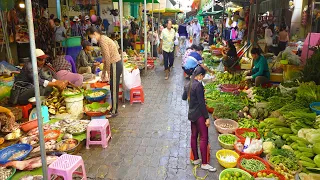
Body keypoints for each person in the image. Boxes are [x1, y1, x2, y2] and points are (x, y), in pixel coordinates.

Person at [182, 66, 216, 172]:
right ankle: (205, 163)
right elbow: (202, 104)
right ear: (200, 76)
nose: (202, 78)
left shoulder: (188, 84)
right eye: (203, 76)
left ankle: (196, 159)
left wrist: (192, 97)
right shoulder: (199, 86)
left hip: (191, 114)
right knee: (204, 138)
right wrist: (207, 118)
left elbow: (184, 97)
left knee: (193, 136)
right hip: (199, 115)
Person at [86, 27, 122, 118]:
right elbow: (106, 58)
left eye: (91, 36)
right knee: (113, 88)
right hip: (115, 64)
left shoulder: (102, 40)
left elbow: (107, 57)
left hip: (115, 64)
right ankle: (113, 108)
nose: (92, 39)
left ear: (94, 33)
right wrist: (104, 72)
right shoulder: (104, 39)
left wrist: (108, 71)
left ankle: (114, 111)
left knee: (114, 89)